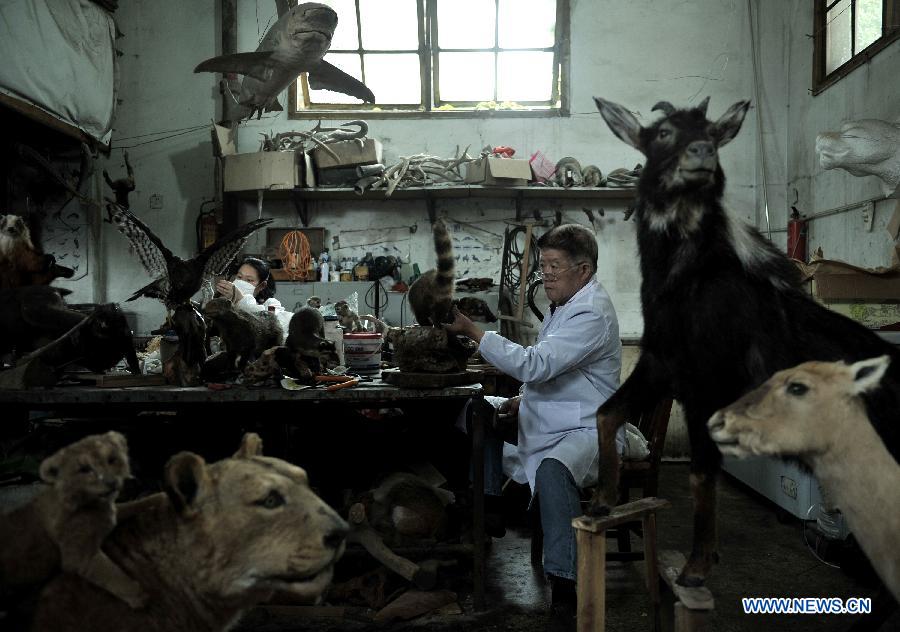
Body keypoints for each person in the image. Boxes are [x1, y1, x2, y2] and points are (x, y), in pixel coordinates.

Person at [445, 223, 623, 631]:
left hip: (585, 427)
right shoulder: (565, 303)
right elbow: (548, 367)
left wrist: (474, 330)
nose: (547, 275)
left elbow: (536, 363)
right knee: (476, 410)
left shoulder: (590, 311)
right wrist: (521, 399)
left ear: (583, 270)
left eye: (555, 266)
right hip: (550, 414)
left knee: (553, 470)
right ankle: (488, 505)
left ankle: (564, 585)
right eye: (543, 265)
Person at [215, 257, 292, 333]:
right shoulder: (226, 302)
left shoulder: (271, 305)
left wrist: (240, 299)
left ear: (262, 286)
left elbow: (269, 325)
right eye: (239, 277)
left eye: (249, 280)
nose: (241, 282)